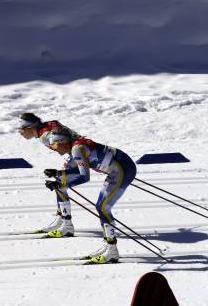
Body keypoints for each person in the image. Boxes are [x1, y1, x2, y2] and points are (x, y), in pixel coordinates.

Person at [44, 132, 137, 264]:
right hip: (118, 169)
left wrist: (60, 183)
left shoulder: (77, 149)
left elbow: (84, 177)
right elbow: (82, 170)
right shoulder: (75, 148)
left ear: (63, 142)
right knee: (101, 207)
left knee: (104, 207)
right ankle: (108, 247)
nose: (56, 151)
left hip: (122, 170)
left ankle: (112, 251)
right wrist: (58, 173)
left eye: (55, 147)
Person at [18, 112, 82, 234]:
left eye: (22, 129)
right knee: (59, 184)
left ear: (31, 127)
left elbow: (65, 143)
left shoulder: (45, 135)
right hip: (75, 154)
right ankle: (62, 219)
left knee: (60, 186)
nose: (20, 132)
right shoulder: (44, 128)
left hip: (78, 155)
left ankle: (67, 225)